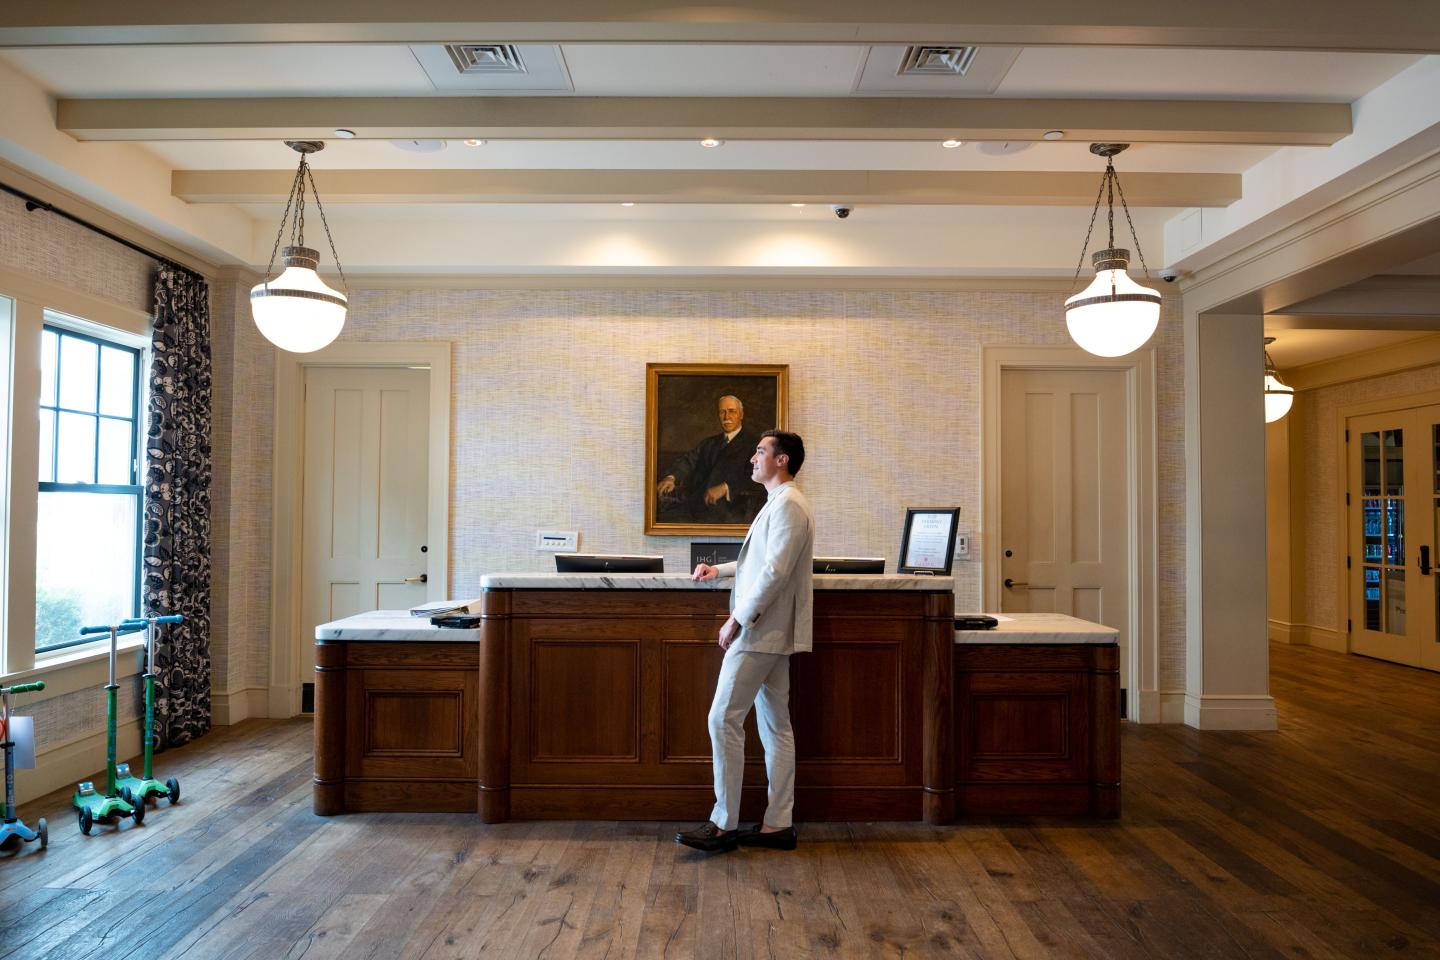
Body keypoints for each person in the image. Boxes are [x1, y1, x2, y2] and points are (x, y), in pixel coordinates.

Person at [675, 430, 814, 853]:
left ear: (782, 460)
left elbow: (775, 572)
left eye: (760, 451)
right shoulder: (780, 502)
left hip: (760, 632)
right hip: (770, 633)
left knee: (723, 719)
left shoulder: (789, 504)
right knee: (776, 727)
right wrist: (719, 570)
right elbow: (761, 562)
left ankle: (723, 825)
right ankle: (777, 825)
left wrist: (736, 619)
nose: (752, 457)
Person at [655, 395, 761, 524]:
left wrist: (726, 487)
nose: (726, 417)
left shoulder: (754, 444)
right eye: (722, 412)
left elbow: (759, 477)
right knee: (661, 520)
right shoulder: (709, 443)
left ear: (741, 414)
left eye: (732, 411)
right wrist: (671, 477)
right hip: (693, 505)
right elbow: (688, 460)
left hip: (728, 513)